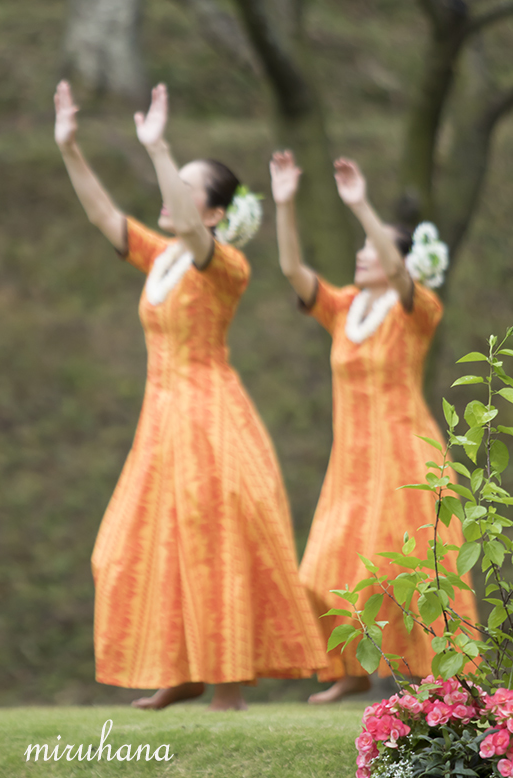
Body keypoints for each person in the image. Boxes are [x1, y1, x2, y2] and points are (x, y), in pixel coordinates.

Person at [53, 82, 328, 712]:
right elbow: (103, 216)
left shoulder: (224, 263)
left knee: (212, 545)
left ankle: (224, 689)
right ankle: (185, 669)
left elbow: (201, 244)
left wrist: (158, 148)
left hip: (211, 422)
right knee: (128, 546)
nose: (166, 194)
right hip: (161, 423)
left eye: (183, 185)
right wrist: (69, 146)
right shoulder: (163, 259)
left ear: (211, 214)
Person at [269, 150, 478, 703]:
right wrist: (284, 203)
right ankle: (355, 668)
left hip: (408, 457)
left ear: (399, 262)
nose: (361, 256)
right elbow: (293, 271)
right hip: (353, 463)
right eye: (361, 248)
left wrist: (360, 205)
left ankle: (433, 682)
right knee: (323, 566)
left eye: (372, 249)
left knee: (408, 569)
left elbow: (402, 277)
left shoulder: (418, 309)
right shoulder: (344, 308)